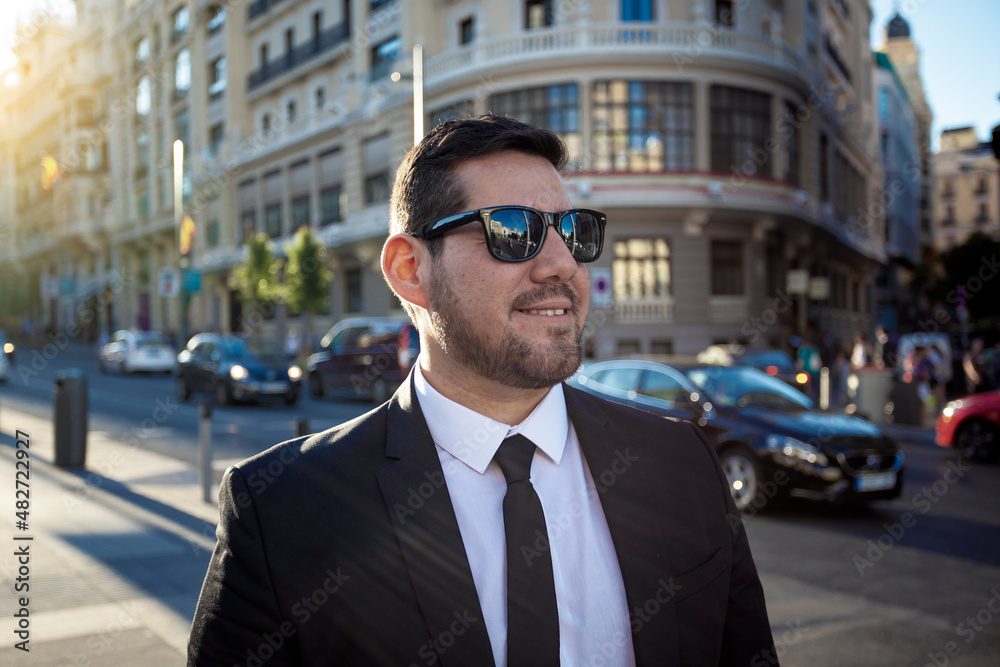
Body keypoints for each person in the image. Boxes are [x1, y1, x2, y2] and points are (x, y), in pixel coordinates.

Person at [188, 116, 775, 666]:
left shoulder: (678, 461)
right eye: (513, 231)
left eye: (572, 231)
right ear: (410, 271)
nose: (562, 265)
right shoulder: (282, 512)